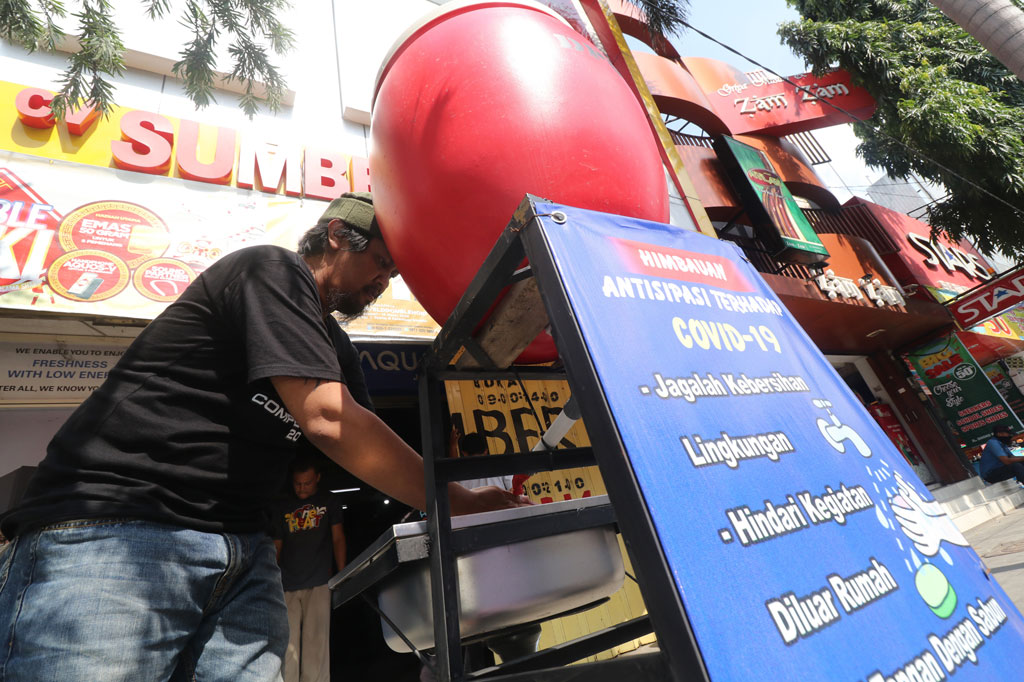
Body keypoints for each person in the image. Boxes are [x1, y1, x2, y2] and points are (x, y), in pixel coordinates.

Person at [0, 192, 527, 682]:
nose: (382, 282)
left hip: (244, 550)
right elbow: (330, 421)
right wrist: (458, 500)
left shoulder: (336, 347)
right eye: (380, 263)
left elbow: (358, 449)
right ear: (338, 235)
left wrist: (436, 494)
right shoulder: (269, 268)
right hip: (119, 528)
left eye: (391, 273)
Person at [271, 457, 345, 682]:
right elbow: (276, 546)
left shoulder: (329, 502)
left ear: (318, 478)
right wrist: (271, 582)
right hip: (287, 584)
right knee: (288, 646)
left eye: (307, 483)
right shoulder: (282, 505)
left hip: (320, 581)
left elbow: (338, 539)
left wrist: (342, 576)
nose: (302, 488)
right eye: (297, 483)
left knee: (317, 645)